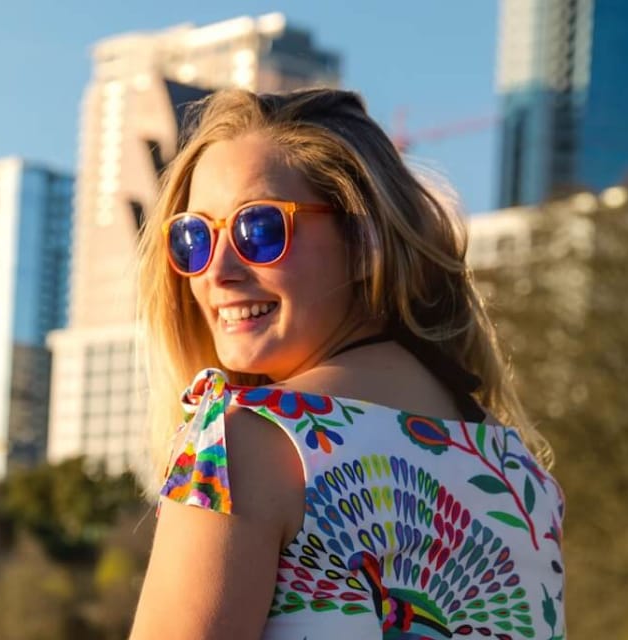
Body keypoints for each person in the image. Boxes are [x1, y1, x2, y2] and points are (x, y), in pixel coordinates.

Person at [129, 88, 565, 639]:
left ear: (366, 242)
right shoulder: (521, 478)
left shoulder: (243, 443)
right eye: (194, 238)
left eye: (259, 229)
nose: (216, 271)